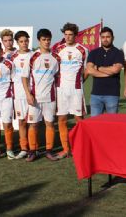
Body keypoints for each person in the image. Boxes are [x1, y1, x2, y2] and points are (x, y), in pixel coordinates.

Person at [22, 29, 61, 162]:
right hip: (35, 98)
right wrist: (28, 94)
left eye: (48, 39)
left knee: (50, 123)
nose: (46, 42)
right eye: (44, 39)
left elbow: (58, 78)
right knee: (33, 125)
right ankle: (32, 151)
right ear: (39, 40)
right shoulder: (32, 57)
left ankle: (49, 151)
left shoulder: (56, 58)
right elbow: (24, 78)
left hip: (50, 97)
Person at [52, 23, 89, 159]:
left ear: (75, 35)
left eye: (70, 35)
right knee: (61, 119)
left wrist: (78, 82)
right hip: (61, 89)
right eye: (66, 35)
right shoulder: (58, 49)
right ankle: (66, 149)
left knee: (79, 119)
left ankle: (81, 147)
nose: (68, 37)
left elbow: (86, 71)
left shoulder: (83, 50)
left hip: (76, 90)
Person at [86, 27, 124, 116]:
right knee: (95, 124)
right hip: (96, 94)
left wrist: (98, 68)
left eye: (108, 37)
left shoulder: (118, 53)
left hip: (112, 94)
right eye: (103, 37)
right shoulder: (93, 53)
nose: (105, 39)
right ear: (100, 38)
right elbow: (90, 70)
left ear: (113, 38)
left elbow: (116, 69)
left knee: (111, 124)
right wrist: (108, 73)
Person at [9, 30, 32, 159]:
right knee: (22, 121)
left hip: (32, 93)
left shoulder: (34, 55)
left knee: (33, 122)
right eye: (21, 41)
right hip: (18, 94)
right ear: (17, 43)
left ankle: (34, 147)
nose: (24, 43)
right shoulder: (12, 57)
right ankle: (24, 148)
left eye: (26, 41)